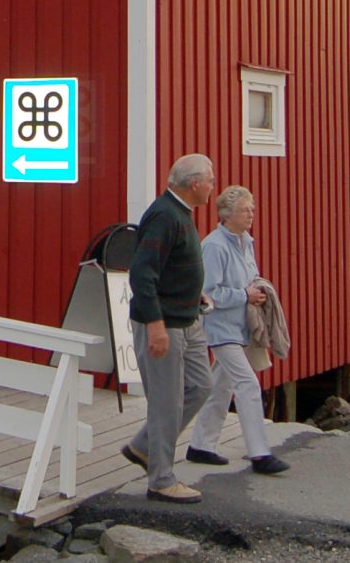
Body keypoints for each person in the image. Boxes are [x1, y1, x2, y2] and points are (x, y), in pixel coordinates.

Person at [121, 153, 217, 503]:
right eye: (210, 180)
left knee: (201, 386)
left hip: (187, 317)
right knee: (166, 403)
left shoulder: (181, 213)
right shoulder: (165, 216)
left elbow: (172, 266)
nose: (212, 186)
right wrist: (156, 325)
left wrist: (193, 292)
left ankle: (144, 446)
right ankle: (161, 480)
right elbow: (142, 273)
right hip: (164, 323)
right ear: (194, 184)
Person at [187, 185, 290, 474]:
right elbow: (208, 293)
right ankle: (259, 453)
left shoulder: (246, 242)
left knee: (222, 385)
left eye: (252, 209)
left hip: (241, 326)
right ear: (227, 214)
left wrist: (258, 289)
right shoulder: (214, 247)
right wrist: (245, 295)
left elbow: (250, 276)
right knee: (248, 384)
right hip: (221, 329)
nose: (251, 214)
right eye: (245, 210)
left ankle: (201, 445)